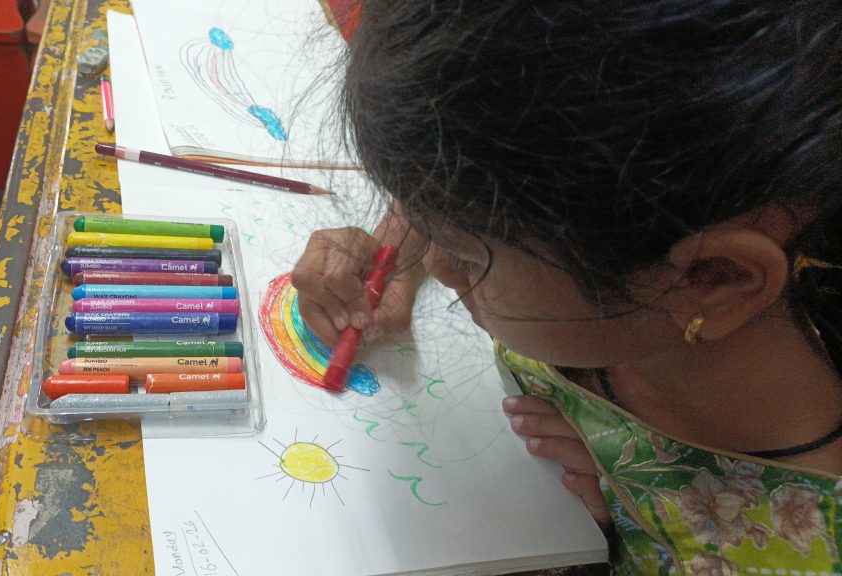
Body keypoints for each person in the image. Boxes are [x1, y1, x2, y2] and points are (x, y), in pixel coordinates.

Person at [291, 1, 841, 573]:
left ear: (712, 278)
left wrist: (583, 552)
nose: (441, 263)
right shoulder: (637, 247)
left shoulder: (779, 553)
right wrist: (395, 257)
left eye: (464, 254)